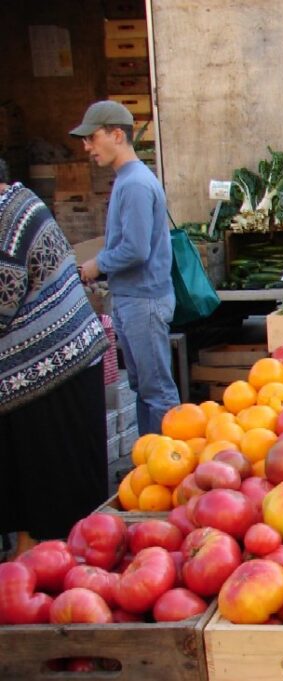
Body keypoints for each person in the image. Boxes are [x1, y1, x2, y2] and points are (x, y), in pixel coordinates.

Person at [0, 157, 110, 554]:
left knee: (50, 479)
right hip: (63, 361)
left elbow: (2, 301)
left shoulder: (7, 222)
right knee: (57, 482)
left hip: (49, 369)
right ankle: (52, 552)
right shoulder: (23, 200)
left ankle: (52, 556)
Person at [74, 100, 181, 436]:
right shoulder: (127, 179)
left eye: (92, 137)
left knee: (157, 390)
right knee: (144, 387)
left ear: (117, 134)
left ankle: (170, 463)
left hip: (143, 301)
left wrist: (96, 265)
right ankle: (148, 462)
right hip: (134, 298)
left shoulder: (134, 183)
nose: (87, 146)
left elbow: (135, 249)